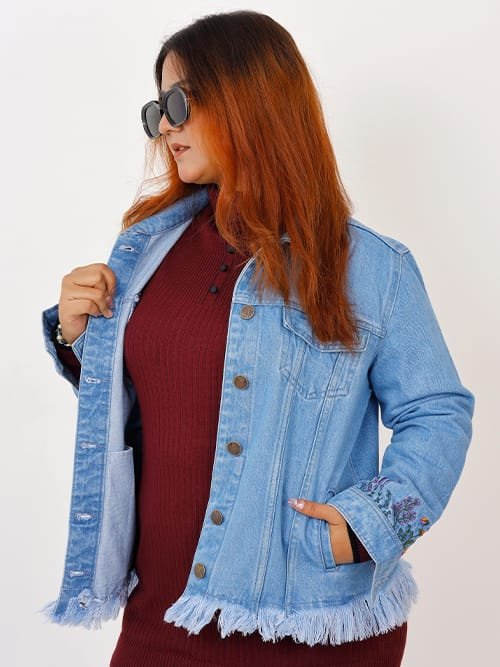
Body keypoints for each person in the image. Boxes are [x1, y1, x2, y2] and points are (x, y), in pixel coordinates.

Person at [39, 10, 474, 667]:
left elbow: (438, 410)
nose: (165, 126)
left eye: (180, 102)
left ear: (249, 99)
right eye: (156, 109)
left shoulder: (371, 269)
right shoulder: (147, 251)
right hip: (161, 615)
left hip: (310, 623)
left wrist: (371, 524)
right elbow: (156, 400)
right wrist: (80, 340)